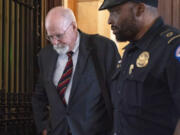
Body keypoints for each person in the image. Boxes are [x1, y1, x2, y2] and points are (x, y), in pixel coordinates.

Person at [32, 6, 120, 135]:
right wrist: (44, 128)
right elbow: (39, 96)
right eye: (50, 37)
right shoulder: (45, 56)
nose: (55, 43)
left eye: (59, 35)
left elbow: (118, 94)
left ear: (73, 27)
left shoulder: (102, 48)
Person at [99, 0, 180, 135]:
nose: (109, 20)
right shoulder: (132, 50)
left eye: (115, 12)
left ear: (140, 9)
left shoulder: (172, 48)